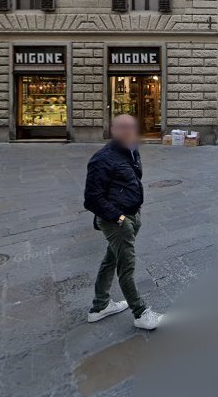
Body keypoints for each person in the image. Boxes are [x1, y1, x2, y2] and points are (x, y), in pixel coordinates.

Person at [84, 115, 163, 330]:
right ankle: (140, 313)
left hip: (131, 215)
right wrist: (119, 218)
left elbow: (131, 181)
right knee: (126, 267)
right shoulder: (102, 159)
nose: (129, 131)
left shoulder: (131, 151)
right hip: (116, 220)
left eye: (132, 127)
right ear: (113, 130)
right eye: (123, 128)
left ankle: (100, 306)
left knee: (111, 259)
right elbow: (91, 199)